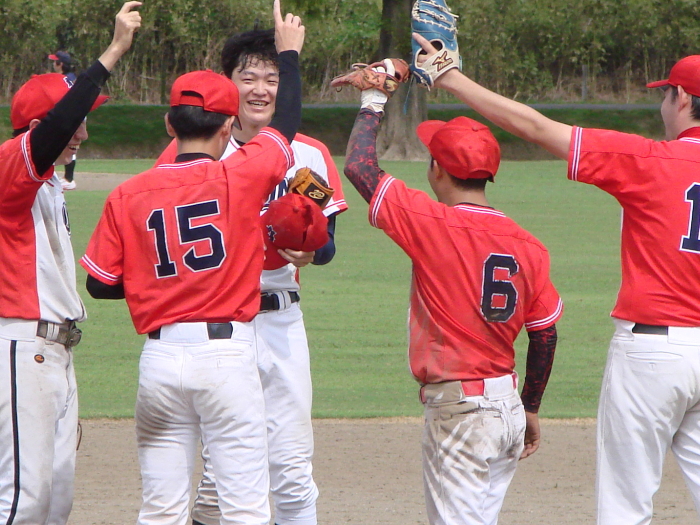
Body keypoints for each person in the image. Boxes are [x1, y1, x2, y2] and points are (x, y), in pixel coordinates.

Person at [413, 31, 700, 524]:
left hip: (653, 354)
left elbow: (536, 127)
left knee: (626, 506)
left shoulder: (651, 160)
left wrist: (451, 78)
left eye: (665, 95)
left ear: (683, 99)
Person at [80, 2, 305, 523]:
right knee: (245, 507)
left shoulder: (128, 193)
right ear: (228, 127)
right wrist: (288, 56)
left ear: (169, 123)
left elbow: (99, 284)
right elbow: (286, 123)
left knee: (161, 510)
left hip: (160, 362)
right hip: (227, 359)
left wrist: (162, 281)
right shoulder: (241, 174)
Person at [341, 59, 562, 525]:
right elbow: (545, 334)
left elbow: (360, 167)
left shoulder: (432, 223)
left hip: (461, 414)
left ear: (437, 169)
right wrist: (531, 406)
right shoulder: (530, 246)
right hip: (507, 408)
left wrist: (373, 100)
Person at [155, 28, 347, 525]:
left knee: (292, 467)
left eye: (272, 78)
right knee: (219, 479)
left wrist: (311, 251)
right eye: (248, 77)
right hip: (215, 324)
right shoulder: (192, 150)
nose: (261, 89)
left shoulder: (310, 154)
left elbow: (327, 244)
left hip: (281, 320)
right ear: (228, 84)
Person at [0, 4, 141, 525]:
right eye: (78, 121)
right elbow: (58, 126)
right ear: (42, 127)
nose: (83, 133)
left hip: (56, 352)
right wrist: (113, 51)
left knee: (55, 501)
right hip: (22, 347)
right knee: (23, 500)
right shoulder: (10, 167)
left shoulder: (49, 184)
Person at [48, 51, 79, 190]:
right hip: (69, 115)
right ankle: (67, 177)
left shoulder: (67, 80)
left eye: (55, 61)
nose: (53, 64)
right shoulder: (68, 78)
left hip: (70, 116)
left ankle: (69, 179)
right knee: (61, 146)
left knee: (67, 145)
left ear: (60, 64)